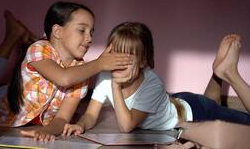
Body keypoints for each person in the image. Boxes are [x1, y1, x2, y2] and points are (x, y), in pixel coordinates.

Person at [0, 1, 132, 141]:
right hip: (13, 98)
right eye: (82, 30)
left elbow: (62, 118)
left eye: (91, 32)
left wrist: (46, 131)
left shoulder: (82, 71)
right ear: (57, 31)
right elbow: (63, 78)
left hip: (37, 108)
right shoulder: (38, 49)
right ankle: (12, 37)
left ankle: (24, 35)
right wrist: (99, 64)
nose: (89, 38)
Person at [62, 22, 250, 138]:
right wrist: (80, 125)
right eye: (114, 54)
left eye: (126, 57)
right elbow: (90, 115)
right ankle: (218, 73)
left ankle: (229, 73)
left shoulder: (151, 83)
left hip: (193, 112)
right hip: (175, 101)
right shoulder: (105, 75)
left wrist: (115, 86)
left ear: (143, 60)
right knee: (212, 103)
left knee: (218, 111)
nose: (117, 62)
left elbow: (126, 126)